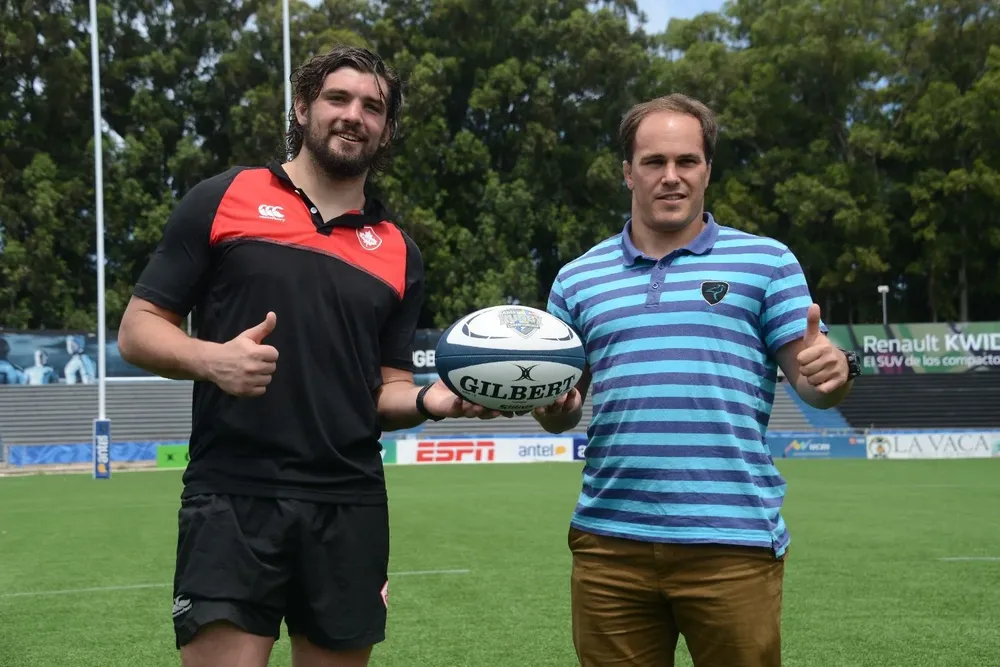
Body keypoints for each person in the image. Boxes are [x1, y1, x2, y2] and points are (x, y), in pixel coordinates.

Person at [118, 45, 504, 667]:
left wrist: (436, 399)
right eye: (338, 98)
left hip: (350, 502)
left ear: (386, 128)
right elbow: (138, 329)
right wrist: (212, 360)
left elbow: (385, 389)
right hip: (234, 496)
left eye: (372, 107)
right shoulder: (225, 198)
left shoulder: (400, 252)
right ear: (302, 108)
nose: (355, 115)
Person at [532, 93, 862, 667]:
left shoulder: (767, 262)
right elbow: (560, 407)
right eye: (654, 162)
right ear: (627, 172)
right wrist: (553, 404)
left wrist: (836, 371)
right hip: (610, 543)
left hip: (731, 541)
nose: (671, 177)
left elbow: (815, 386)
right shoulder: (577, 278)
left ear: (708, 169)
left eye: (687, 161)